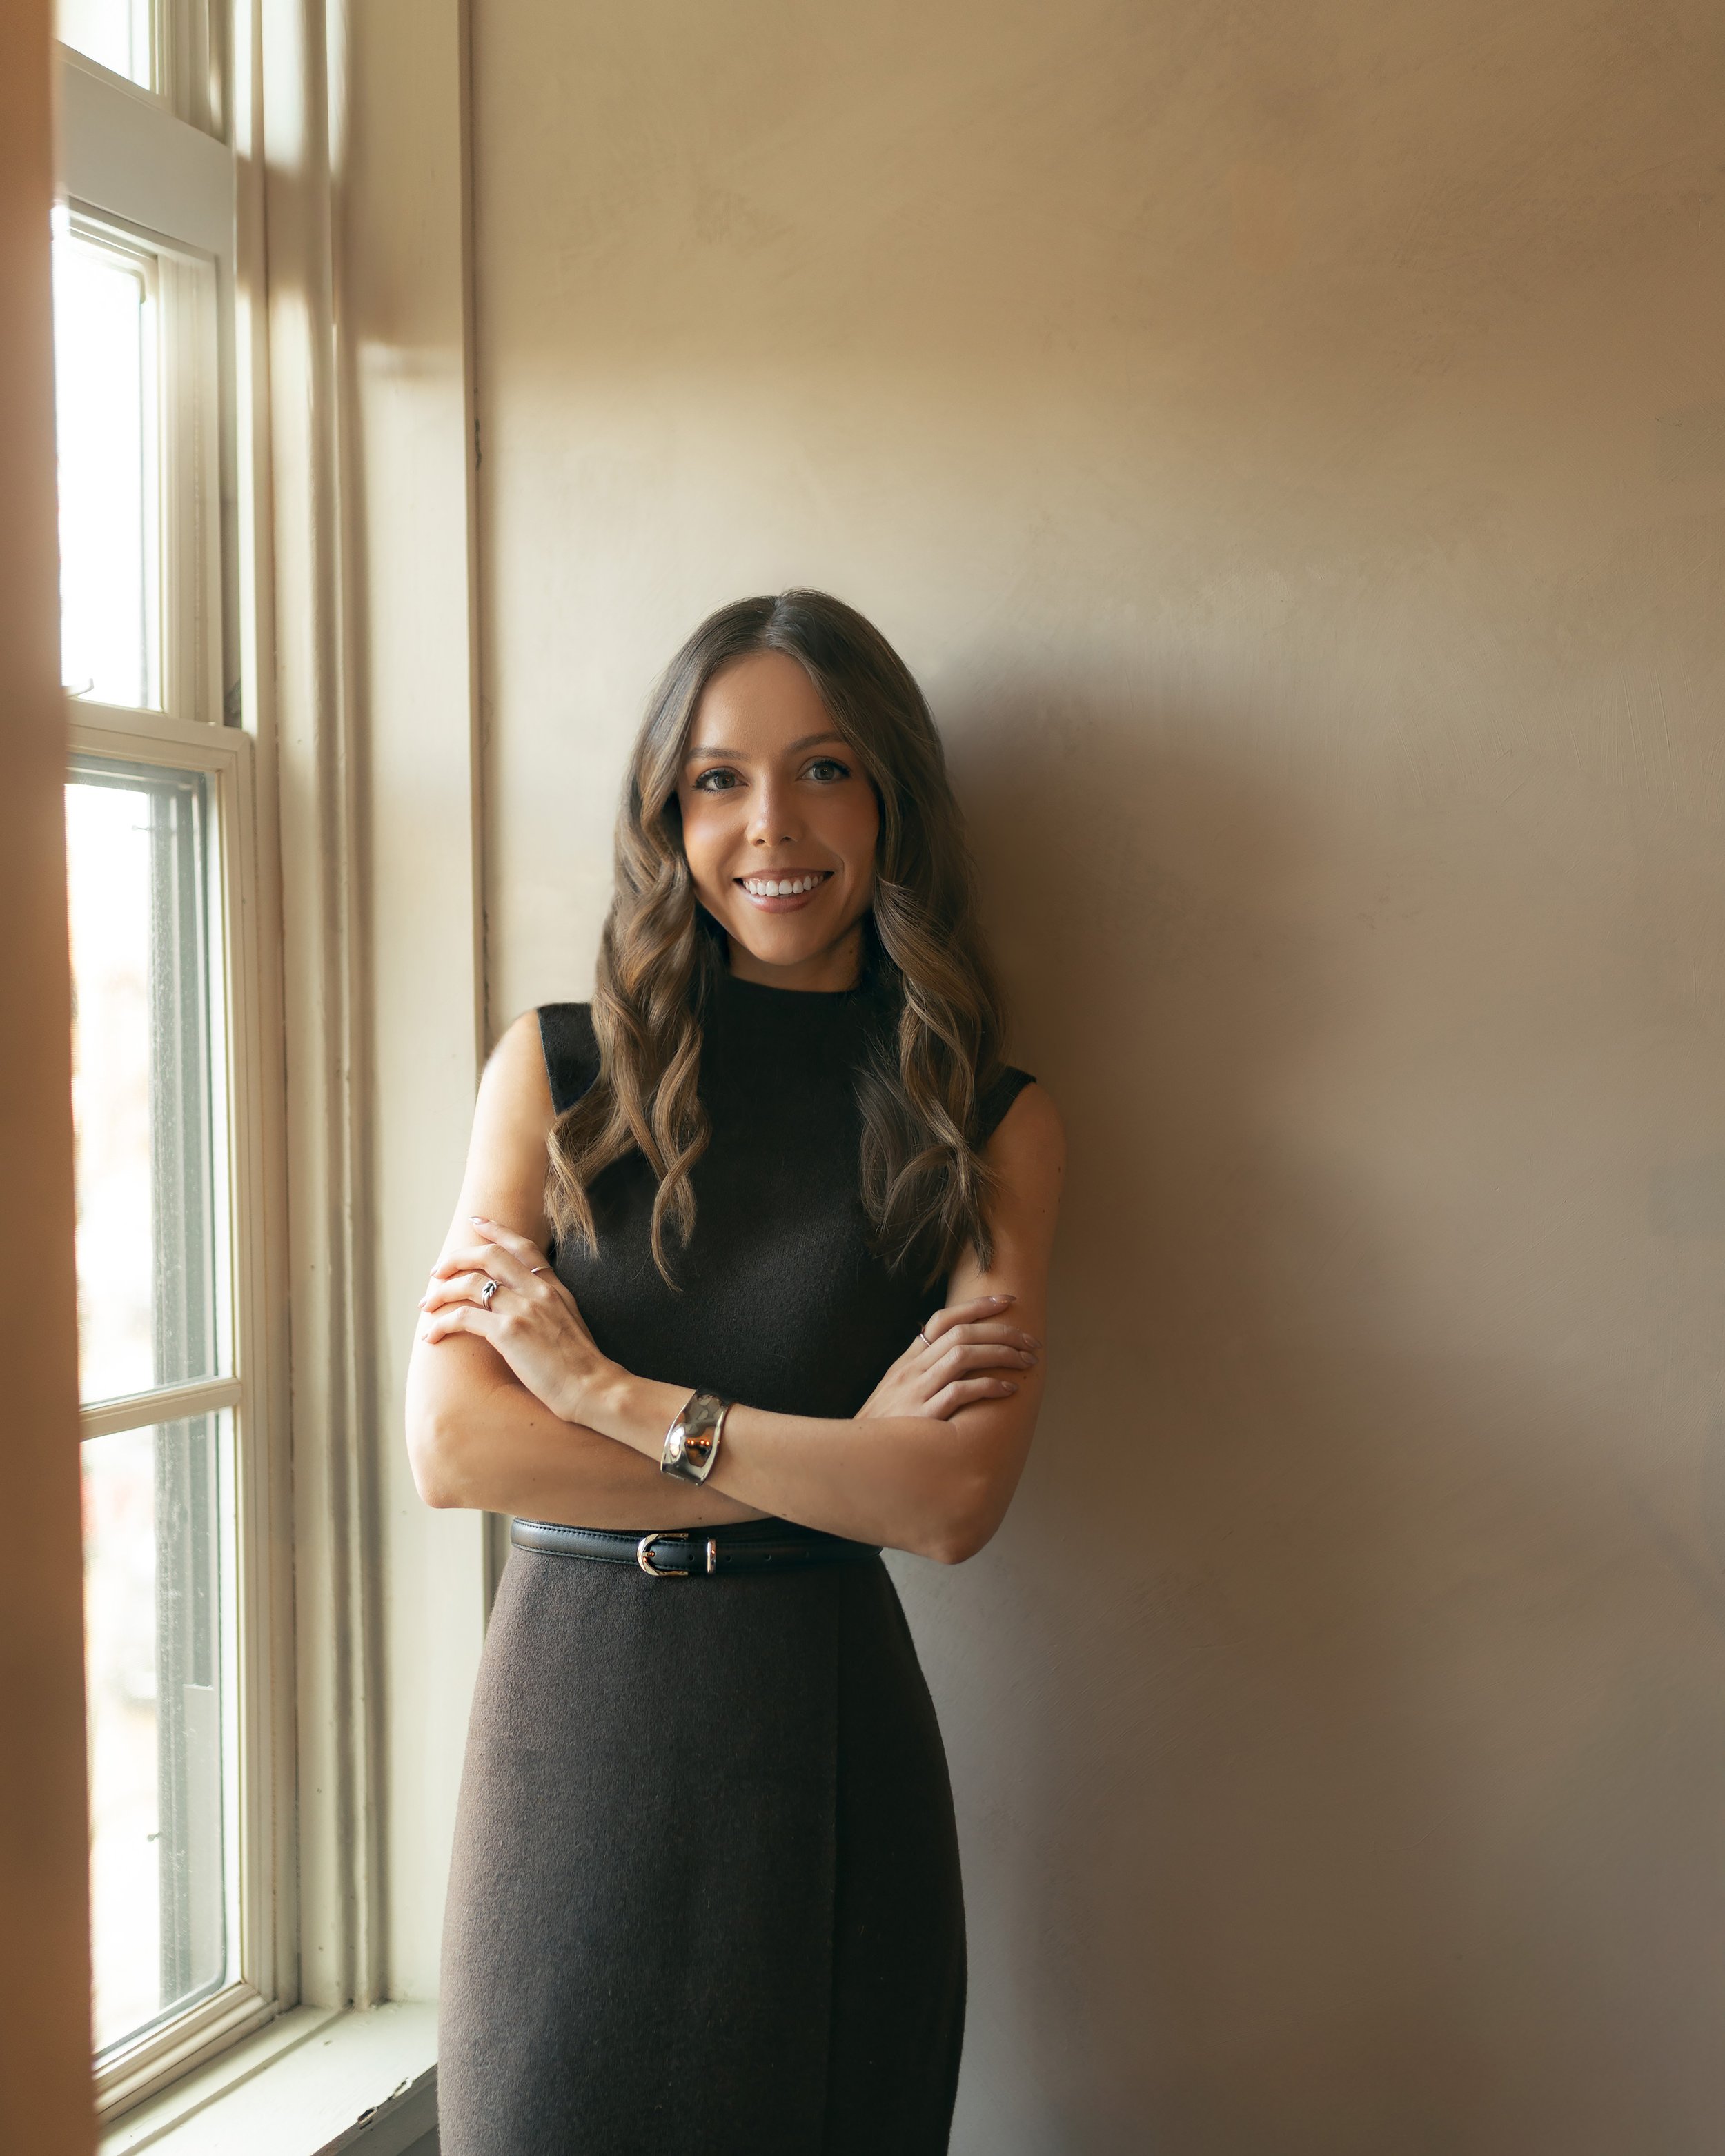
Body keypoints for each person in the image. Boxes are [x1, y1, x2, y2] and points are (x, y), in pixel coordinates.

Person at [406, 589, 1065, 2155]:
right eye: (717, 778)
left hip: (823, 1741)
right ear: (669, 811)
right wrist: (835, 1464)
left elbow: (957, 1497)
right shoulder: (554, 1070)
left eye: (824, 769)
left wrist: (603, 1392)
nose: (770, 825)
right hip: (575, 1734)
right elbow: (457, 1452)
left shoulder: (986, 1116)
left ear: (891, 797)